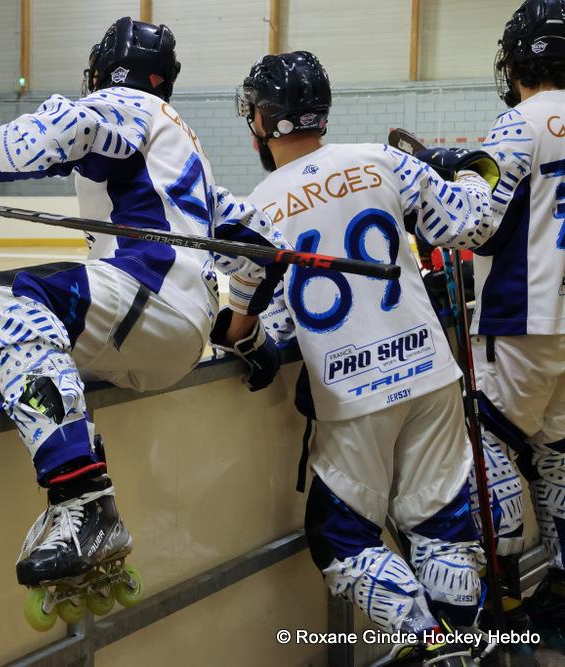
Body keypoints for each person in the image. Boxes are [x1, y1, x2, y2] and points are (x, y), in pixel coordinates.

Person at [0, 17, 283, 629]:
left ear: (103, 70)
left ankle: (83, 500)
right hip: (165, 334)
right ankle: (63, 503)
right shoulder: (185, 153)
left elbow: (72, 129)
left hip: (144, 291)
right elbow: (264, 244)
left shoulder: (124, 104)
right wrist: (245, 330)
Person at [217, 52, 501, 664]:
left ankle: (434, 645)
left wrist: (243, 339)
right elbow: (470, 223)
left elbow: (254, 327)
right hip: (429, 373)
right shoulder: (382, 159)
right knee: (440, 522)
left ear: (263, 121)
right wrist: (476, 169)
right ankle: (467, 647)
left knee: (340, 537)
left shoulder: (256, 207)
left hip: (352, 396)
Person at [454, 0, 565, 643]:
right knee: (557, 458)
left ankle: (503, 610)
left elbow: (477, 227)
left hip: (523, 317)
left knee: (490, 452)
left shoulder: (517, 125)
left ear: (516, 61)